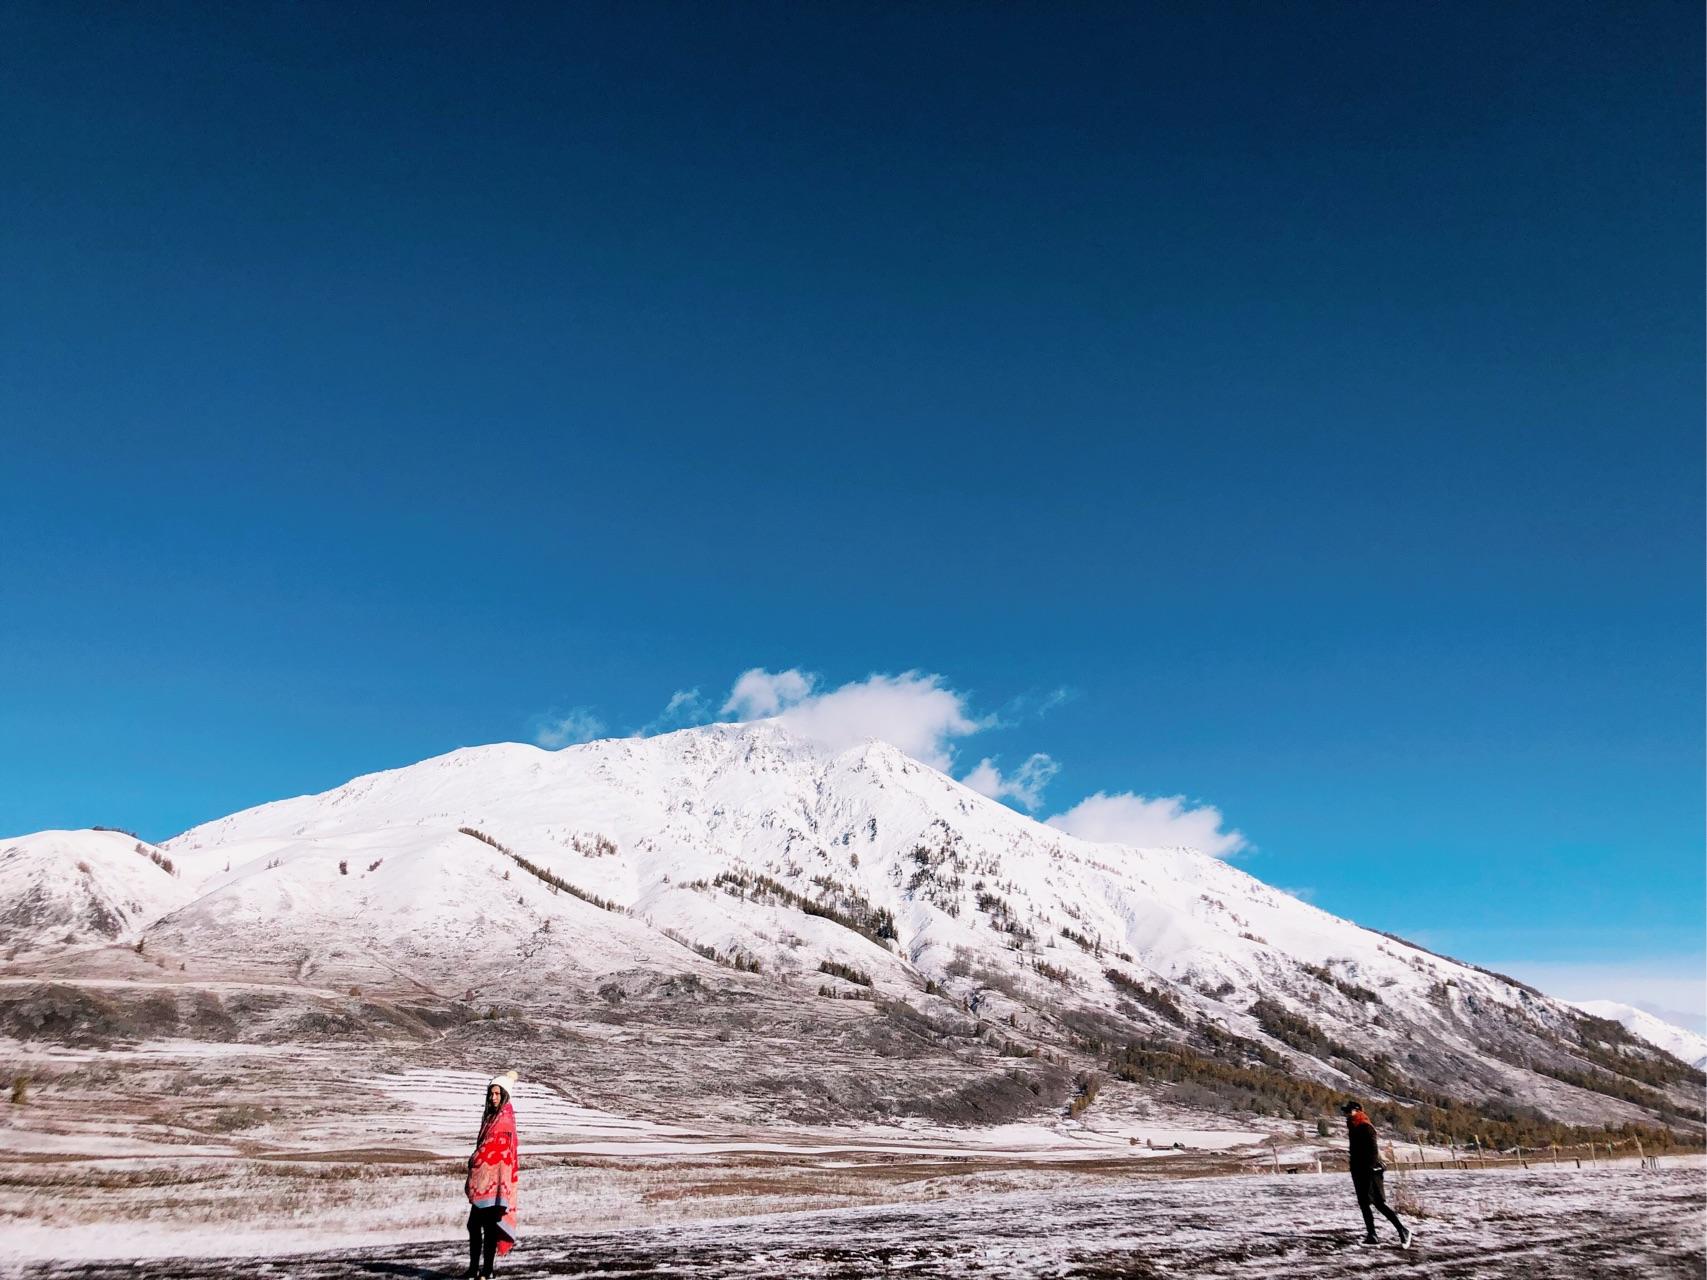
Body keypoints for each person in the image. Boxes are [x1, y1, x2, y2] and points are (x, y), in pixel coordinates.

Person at [465, 1070, 521, 1278]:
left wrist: (476, 1158)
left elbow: (496, 1151)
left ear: (504, 1095)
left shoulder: (504, 1120)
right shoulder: (491, 1117)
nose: (493, 1097)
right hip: (485, 1183)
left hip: (497, 1183)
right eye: (491, 1093)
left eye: (497, 1093)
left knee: (486, 1227)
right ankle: (476, 1270)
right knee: (476, 1226)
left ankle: (486, 1271)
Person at [1340, 1100, 1412, 1247]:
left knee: (1378, 1203)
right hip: (1359, 1170)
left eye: (1348, 1111)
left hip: (1370, 1171)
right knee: (1364, 1203)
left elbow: (1373, 1151)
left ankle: (1402, 1230)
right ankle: (1372, 1234)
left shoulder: (1365, 1127)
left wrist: (1370, 1168)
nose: (1346, 1114)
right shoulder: (1354, 1127)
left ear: (1357, 1111)